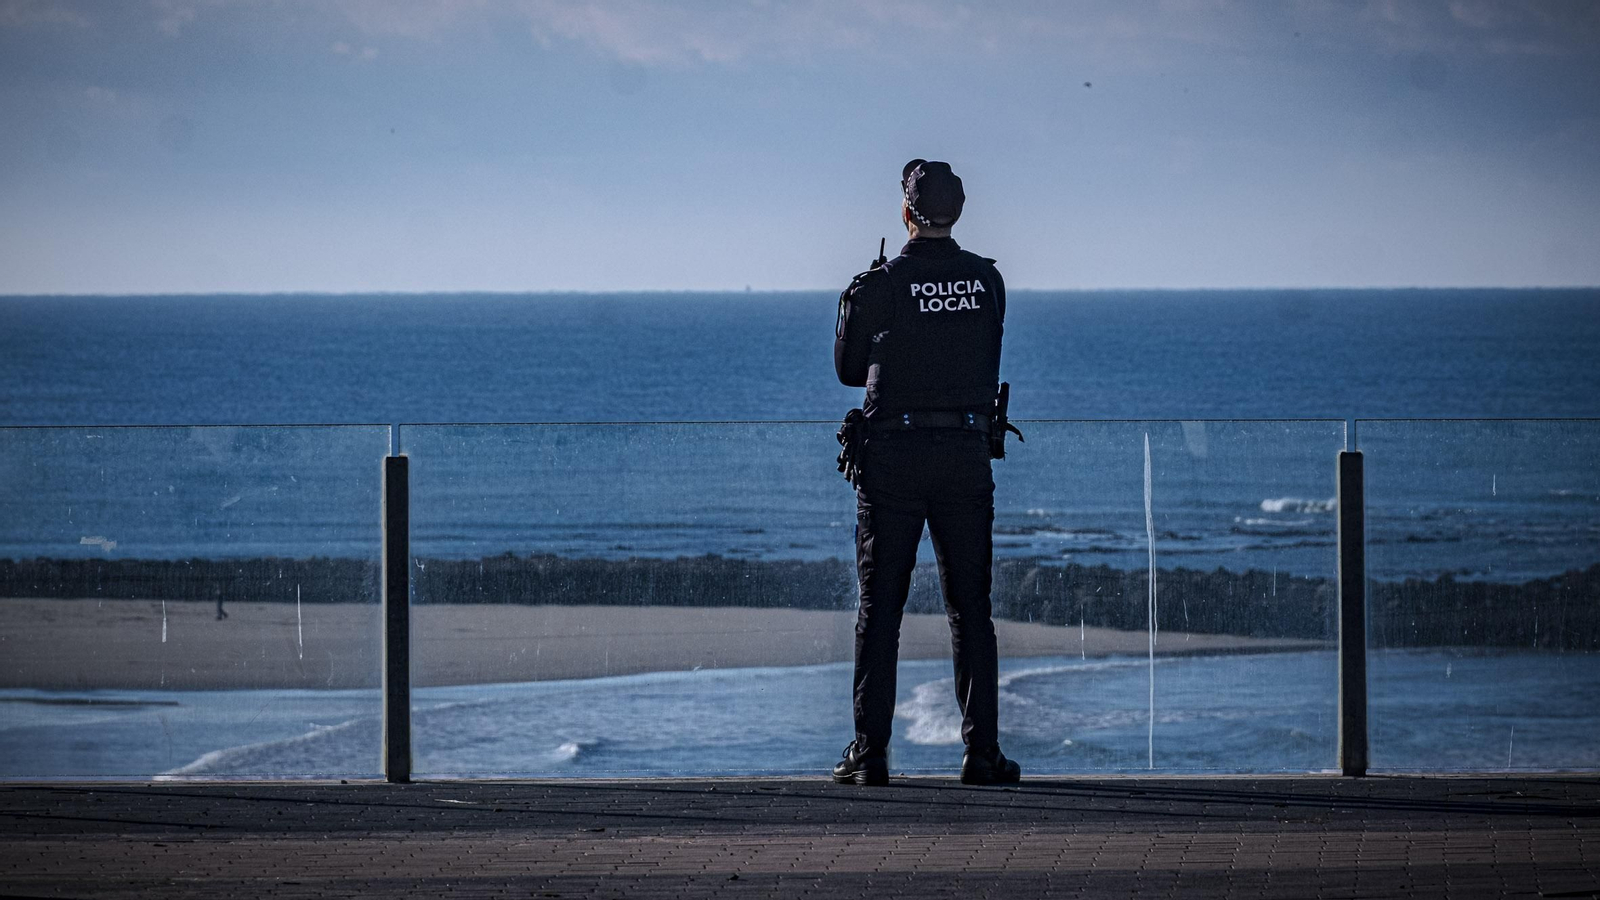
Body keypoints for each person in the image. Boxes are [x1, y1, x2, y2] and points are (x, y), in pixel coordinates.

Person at [831, 159, 1021, 787]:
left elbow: (849, 372)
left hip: (893, 460)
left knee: (879, 609)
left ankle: (870, 751)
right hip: (965, 456)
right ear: (957, 213)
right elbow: (985, 359)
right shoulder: (987, 282)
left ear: (906, 212)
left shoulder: (878, 285)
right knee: (971, 608)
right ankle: (981, 751)